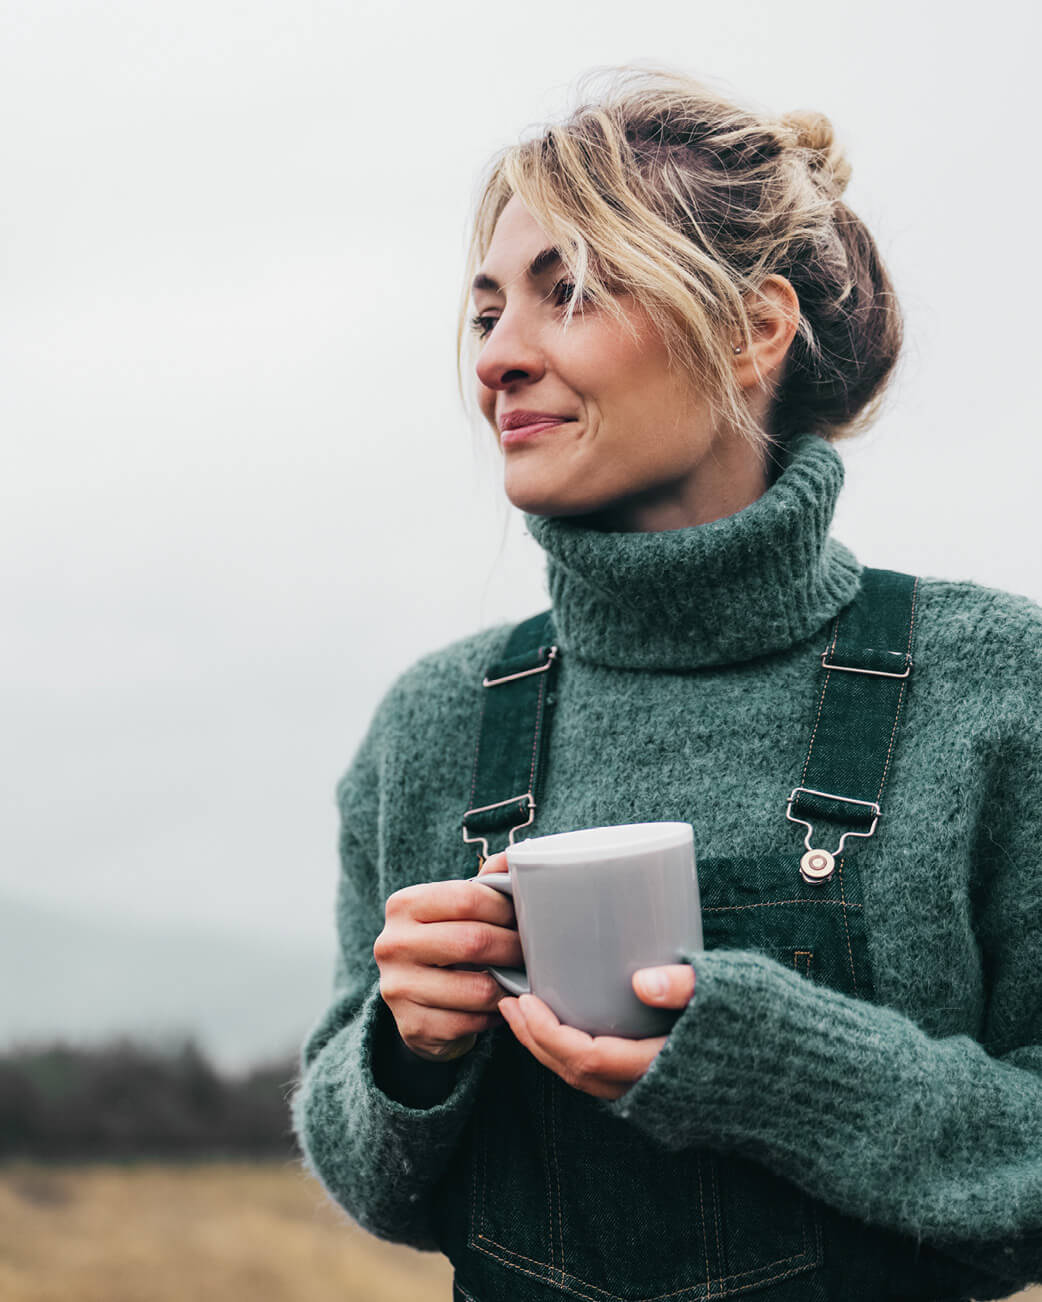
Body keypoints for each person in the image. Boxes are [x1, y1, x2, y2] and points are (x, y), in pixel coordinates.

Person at [290, 64, 1042, 1302]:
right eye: (484, 314)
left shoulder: (995, 690)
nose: (500, 359)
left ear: (753, 329)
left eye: (569, 293)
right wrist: (407, 1052)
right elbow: (371, 1183)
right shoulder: (431, 724)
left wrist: (773, 1064)